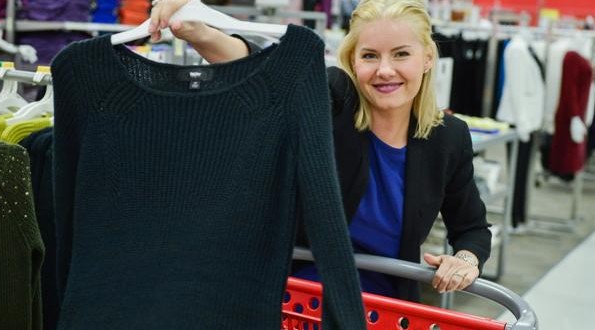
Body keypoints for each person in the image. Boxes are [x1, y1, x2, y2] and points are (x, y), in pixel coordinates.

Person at [149, 0, 491, 302]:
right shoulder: (333, 98)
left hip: (384, 308)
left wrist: (464, 260)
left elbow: (472, 228)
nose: (385, 70)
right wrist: (199, 32)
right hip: (299, 301)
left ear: (428, 59)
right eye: (370, 55)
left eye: (401, 54)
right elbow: (262, 74)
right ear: (353, 62)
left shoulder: (448, 137)